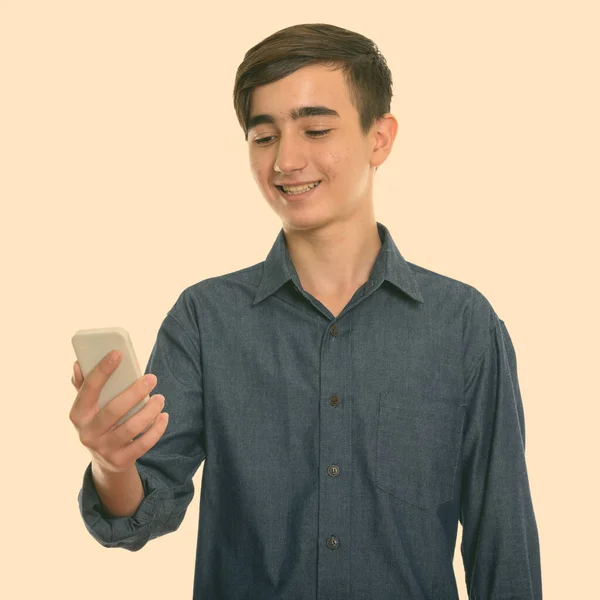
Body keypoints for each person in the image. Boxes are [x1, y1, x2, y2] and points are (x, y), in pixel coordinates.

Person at [70, 22, 542, 599]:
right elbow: (144, 512)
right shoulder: (205, 318)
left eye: (316, 129)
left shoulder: (463, 325)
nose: (286, 160)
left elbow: (503, 548)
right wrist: (111, 463)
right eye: (263, 137)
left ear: (380, 138)